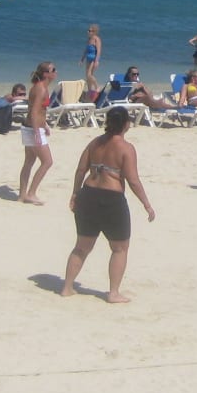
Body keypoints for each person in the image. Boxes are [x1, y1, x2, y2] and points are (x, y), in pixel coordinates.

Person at [61, 106, 156, 304]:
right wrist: (146, 204)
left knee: (81, 247)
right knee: (120, 248)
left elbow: (80, 170)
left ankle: (67, 287)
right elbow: (133, 180)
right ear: (126, 124)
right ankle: (113, 293)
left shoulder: (94, 143)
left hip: (88, 195)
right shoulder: (126, 148)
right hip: (111, 199)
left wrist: (75, 194)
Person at [18, 61, 56, 205]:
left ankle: (22, 195)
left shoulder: (39, 87)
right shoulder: (40, 89)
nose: (56, 72)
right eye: (53, 70)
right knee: (47, 162)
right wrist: (37, 132)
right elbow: (34, 112)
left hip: (29, 128)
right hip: (33, 129)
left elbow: (39, 111)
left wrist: (44, 125)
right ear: (46, 74)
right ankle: (31, 193)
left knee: (29, 162)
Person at [81, 24, 102, 91]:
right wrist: (82, 59)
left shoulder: (97, 39)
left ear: (94, 32)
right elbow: (86, 50)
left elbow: (98, 51)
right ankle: (89, 90)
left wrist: (96, 61)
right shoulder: (89, 39)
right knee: (87, 76)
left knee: (89, 75)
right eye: (88, 30)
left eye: (89, 31)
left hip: (93, 59)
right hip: (88, 59)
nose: (88, 32)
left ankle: (97, 86)